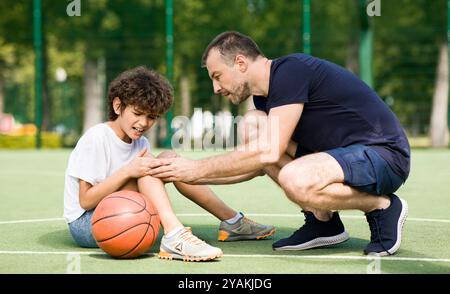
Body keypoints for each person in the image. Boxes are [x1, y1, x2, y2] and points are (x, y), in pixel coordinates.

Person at [149, 31, 410, 256]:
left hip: (383, 155)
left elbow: (269, 151)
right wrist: (186, 175)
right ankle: (323, 221)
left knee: (294, 177)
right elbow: (259, 164)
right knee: (254, 124)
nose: (216, 88)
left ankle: (382, 206)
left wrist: (195, 169)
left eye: (217, 76)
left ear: (240, 63)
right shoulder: (265, 99)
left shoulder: (290, 71)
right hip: (343, 156)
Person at [63, 66, 275, 262]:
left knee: (169, 159)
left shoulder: (140, 142)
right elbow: (86, 200)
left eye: (151, 117)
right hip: (88, 223)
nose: (144, 123)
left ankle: (232, 222)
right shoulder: (97, 137)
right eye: (137, 113)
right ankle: (174, 235)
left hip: (121, 211)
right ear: (118, 106)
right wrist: (129, 171)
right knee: (148, 170)